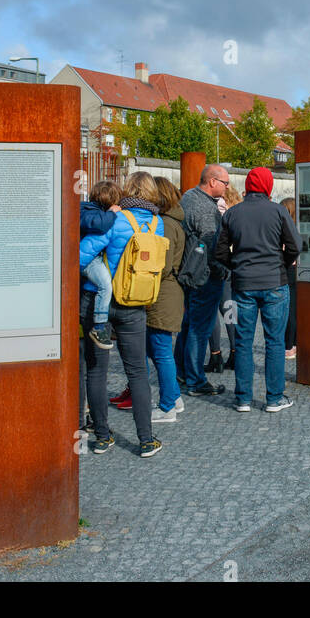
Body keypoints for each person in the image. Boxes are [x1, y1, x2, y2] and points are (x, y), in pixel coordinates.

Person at [78, 171, 168, 457]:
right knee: (138, 373)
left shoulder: (116, 220)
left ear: (127, 190)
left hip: (99, 302)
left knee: (96, 370)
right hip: (135, 303)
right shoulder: (158, 224)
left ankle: (103, 436)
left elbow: (81, 255)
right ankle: (146, 440)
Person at [214, 166, 300, 413]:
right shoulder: (278, 212)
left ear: (248, 186)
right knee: (275, 342)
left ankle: (243, 398)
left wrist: (237, 265)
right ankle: (273, 398)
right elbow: (295, 245)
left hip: (243, 285)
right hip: (274, 282)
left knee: (243, 342)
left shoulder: (232, 213)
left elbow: (219, 251)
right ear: (268, 186)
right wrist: (281, 264)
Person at [180, 164, 230, 397]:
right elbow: (212, 246)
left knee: (189, 324)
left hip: (190, 272)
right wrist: (222, 269)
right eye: (225, 183)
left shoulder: (188, 197)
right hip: (204, 276)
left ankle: (182, 372)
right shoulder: (205, 209)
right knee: (199, 328)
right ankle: (195, 380)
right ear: (212, 181)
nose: (227, 188)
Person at [144, 176, 187, 424]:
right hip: (167, 292)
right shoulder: (172, 220)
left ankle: (168, 405)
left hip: (164, 292)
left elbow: (164, 264)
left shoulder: (166, 223)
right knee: (157, 348)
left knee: (160, 350)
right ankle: (174, 397)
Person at [79, 181, 122, 350]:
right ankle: (99, 326)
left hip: (89, 258)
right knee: (105, 285)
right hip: (88, 260)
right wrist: (112, 213)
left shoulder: (88, 209)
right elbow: (101, 224)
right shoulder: (88, 212)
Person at [205, 184, 243, 374]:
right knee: (230, 311)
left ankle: (215, 354)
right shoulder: (238, 210)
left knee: (212, 311)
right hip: (232, 267)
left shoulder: (218, 207)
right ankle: (235, 353)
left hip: (217, 265)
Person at [280, 196, 299, 358]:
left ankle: (289, 345)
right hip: (297, 269)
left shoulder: (285, 227)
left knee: (289, 309)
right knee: (295, 307)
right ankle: (294, 343)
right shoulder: (298, 226)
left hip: (288, 269)